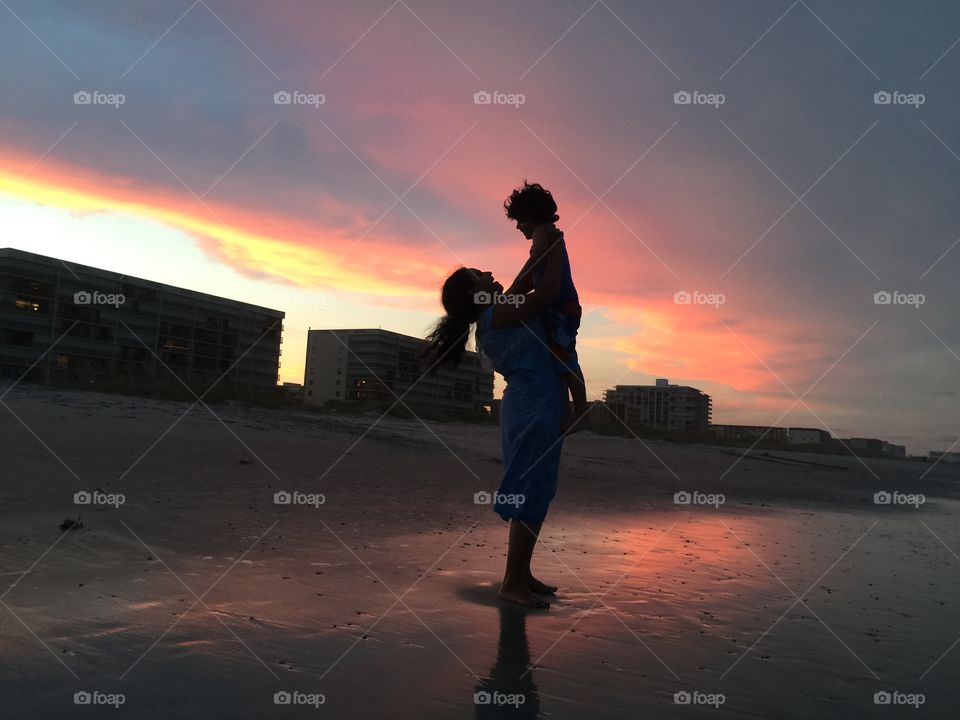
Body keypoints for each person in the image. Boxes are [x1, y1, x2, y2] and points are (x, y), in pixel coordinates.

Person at [424, 229, 567, 608]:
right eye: (479, 275)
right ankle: (511, 583)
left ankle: (521, 574)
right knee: (530, 488)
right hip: (532, 405)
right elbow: (547, 293)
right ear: (476, 294)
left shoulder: (495, 310)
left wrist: (542, 245)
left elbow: (524, 279)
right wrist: (557, 247)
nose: (488, 272)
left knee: (538, 487)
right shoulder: (496, 315)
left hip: (536, 403)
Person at [503, 181, 590, 433]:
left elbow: (536, 258)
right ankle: (572, 411)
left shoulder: (543, 231)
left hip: (562, 306)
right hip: (559, 306)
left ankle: (582, 413)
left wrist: (510, 294)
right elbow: (533, 279)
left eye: (520, 220)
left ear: (532, 216)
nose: (518, 226)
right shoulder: (549, 232)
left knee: (565, 355)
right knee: (558, 355)